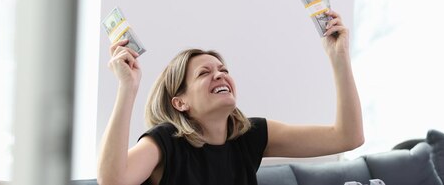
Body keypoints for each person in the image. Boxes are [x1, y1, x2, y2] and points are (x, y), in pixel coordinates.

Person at [97, 10, 364, 185]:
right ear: (180, 102)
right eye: (204, 73)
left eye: (224, 70)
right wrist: (127, 88)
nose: (220, 75)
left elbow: (348, 137)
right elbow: (112, 181)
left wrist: (338, 57)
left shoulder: (251, 135)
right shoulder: (165, 142)